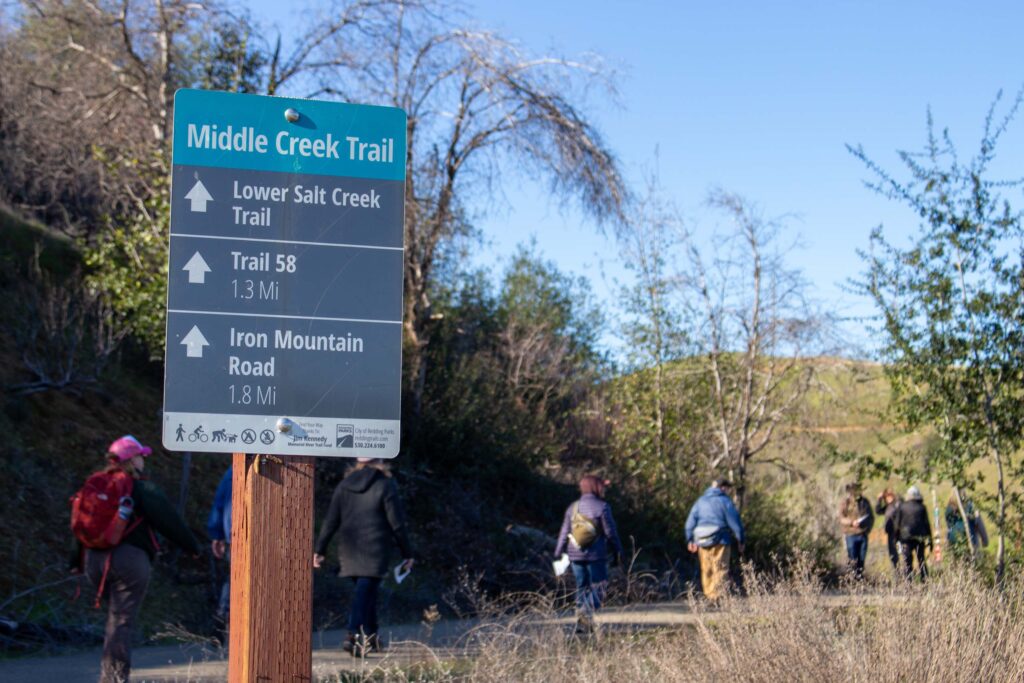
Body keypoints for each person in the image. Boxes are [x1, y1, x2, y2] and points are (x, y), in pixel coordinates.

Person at [71, 436, 200, 683]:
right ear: (131, 460)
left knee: (115, 618)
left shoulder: (95, 485)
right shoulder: (139, 487)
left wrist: (75, 560)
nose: (143, 460)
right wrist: (192, 547)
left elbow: (81, 524)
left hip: (94, 561)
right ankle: (114, 678)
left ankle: (111, 674)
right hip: (129, 562)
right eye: (141, 456)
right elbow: (168, 521)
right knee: (121, 621)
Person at [313, 458, 414, 657]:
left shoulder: (345, 485)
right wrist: (407, 553)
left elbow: (331, 520)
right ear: (381, 461)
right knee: (364, 593)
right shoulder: (385, 484)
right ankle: (352, 634)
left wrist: (320, 549)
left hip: (349, 549)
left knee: (366, 592)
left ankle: (371, 637)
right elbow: (397, 523)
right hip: (375, 549)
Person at [553, 475, 622, 633]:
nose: (604, 489)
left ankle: (582, 624)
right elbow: (611, 532)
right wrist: (618, 551)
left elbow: (564, 531)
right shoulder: (602, 507)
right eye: (601, 486)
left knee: (582, 587)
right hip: (596, 555)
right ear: (595, 487)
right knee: (600, 585)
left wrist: (558, 552)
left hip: (574, 554)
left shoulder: (573, 507)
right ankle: (586, 611)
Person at [685, 479, 745, 602]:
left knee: (706, 569)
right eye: (728, 488)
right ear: (723, 488)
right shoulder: (725, 501)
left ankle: (709, 595)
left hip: (702, 541)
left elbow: (690, 523)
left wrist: (690, 539)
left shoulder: (700, 501)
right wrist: (741, 540)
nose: (728, 491)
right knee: (720, 568)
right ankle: (717, 597)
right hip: (721, 540)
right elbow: (735, 522)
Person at [206, 466, 232, 624]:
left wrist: (217, 535)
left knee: (234, 580)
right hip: (265, 537)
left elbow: (219, 502)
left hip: (234, 537)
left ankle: (223, 619)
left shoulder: (232, 469)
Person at [894, 485, 932, 580]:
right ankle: (925, 581)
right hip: (919, 537)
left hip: (905, 538)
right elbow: (927, 524)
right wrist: (930, 540)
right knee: (921, 559)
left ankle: (908, 582)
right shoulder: (922, 507)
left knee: (907, 561)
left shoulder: (902, 507)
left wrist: (896, 538)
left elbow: (897, 524)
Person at [838, 482, 874, 580]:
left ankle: (860, 580)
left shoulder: (865, 502)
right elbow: (841, 518)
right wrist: (851, 522)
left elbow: (871, 517)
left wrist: (868, 529)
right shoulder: (845, 502)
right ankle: (851, 580)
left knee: (861, 559)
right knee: (852, 558)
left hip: (863, 534)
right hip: (850, 534)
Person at [945, 494, 989, 560]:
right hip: (970, 541)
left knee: (957, 565)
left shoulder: (948, 510)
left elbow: (949, 528)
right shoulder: (971, 506)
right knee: (975, 564)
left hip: (953, 543)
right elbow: (979, 524)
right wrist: (985, 541)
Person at [875, 487, 902, 573]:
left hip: (900, 533)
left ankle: (905, 573)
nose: (888, 498)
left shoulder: (898, 504)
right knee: (893, 555)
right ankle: (897, 573)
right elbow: (878, 511)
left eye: (890, 496)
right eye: (886, 497)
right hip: (891, 533)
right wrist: (879, 499)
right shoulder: (887, 507)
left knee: (902, 554)